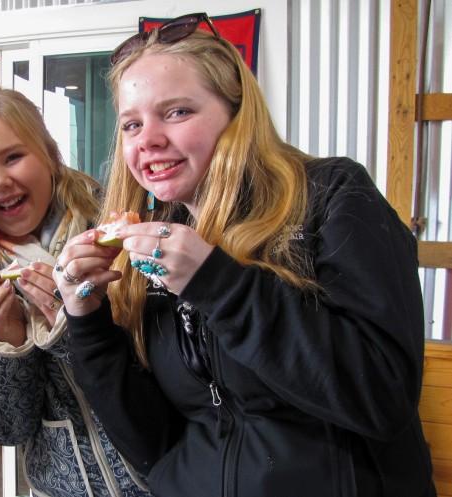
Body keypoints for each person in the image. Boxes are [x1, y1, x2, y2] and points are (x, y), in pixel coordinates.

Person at [52, 13, 437, 497]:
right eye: (131, 123)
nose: (147, 138)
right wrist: (86, 319)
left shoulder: (334, 196)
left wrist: (220, 284)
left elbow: (384, 396)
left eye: (176, 112)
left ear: (237, 115)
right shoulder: (146, 242)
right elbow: (153, 443)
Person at [0, 84, 152, 497]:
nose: (0, 182)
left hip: (167, 475)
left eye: (13, 157)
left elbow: (178, 374)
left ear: (50, 155)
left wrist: (79, 325)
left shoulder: (119, 228)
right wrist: (6, 346)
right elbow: (2, 427)